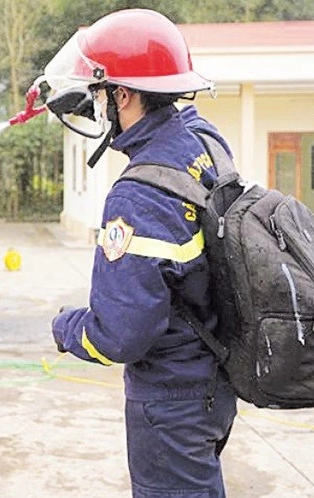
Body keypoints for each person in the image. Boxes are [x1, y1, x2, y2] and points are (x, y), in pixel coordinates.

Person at [48, 9, 238, 498]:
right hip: (213, 384)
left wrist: (66, 328)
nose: (95, 106)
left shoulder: (137, 196)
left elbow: (121, 334)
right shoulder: (203, 142)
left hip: (170, 401)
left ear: (124, 95)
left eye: (100, 93)